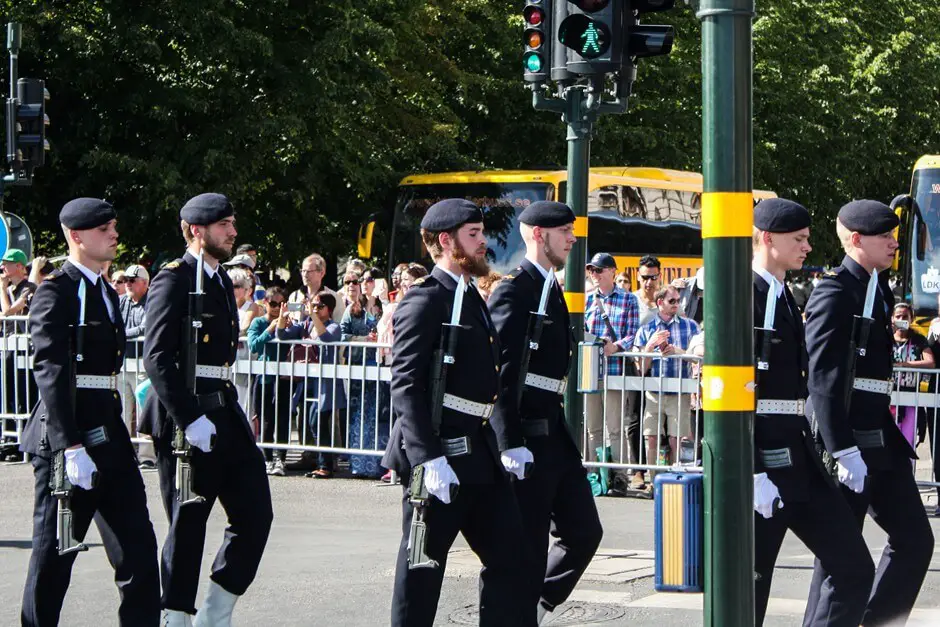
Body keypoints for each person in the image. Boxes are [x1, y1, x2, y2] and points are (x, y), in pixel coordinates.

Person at [381, 198, 530, 627]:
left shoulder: (470, 295)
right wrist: (427, 457)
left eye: (482, 233)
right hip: (441, 456)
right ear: (446, 241)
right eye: (474, 235)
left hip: (479, 457)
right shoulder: (425, 300)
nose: (484, 242)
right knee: (421, 571)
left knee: (512, 560)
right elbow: (405, 384)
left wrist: (507, 443)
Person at [19, 198, 160, 626]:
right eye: (104, 229)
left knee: (137, 549)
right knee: (54, 556)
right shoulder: (56, 290)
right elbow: (51, 369)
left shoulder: (102, 290)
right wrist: (69, 445)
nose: (114, 234)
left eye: (114, 226)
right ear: (77, 236)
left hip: (109, 435)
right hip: (71, 438)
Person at [139, 193, 273, 627]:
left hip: (223, 410)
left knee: (256, 514)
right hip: (188, 417)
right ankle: (175, 616)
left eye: (232, 223)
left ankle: (216, 611)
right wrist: (186, 416)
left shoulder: (218, 280)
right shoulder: (174, 279)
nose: (233, 232)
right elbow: (157, 357)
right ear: (197, 230)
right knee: (189, 523)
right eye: (224, 225)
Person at [803, 199, 934, 626]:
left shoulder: (877, 289)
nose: (894, 244)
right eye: (885, 237)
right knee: (839, 560)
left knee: (915, 539)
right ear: (857, 240)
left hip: (878, 436)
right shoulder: (835, 291)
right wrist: (841, 449)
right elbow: (822, 379)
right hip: (847, 439)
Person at [750, 198, 874, 626]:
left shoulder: (782, 294)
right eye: (798, 239)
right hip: (764, 462)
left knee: (855, 567)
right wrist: (750, 471)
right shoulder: (744, 296)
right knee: (749, 590)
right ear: (768, 238)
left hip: (798, 458)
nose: (807, 247)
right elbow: (725, 394)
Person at [489, 201, 603, 625]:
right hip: (527, 436)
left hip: (553, 432)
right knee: (527, 547)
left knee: (584, 532)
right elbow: (498, 373)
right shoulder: (514, 289)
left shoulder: (549, 286)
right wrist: (508, 441)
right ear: (538, 234)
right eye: (564, 231)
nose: (573, 238)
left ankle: (536, 604)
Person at [583, 252, 640, 490]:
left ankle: (617, 475)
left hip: (614, 369)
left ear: (612, 272)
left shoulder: (628, 299)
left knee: (614, 427)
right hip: (589, 370)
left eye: (598, 270)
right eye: (591, 270)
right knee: (592, 426)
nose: (593, 275)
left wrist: (615, 346)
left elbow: (633, 332)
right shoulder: (586, 299)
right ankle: (595, 475)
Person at [634, 285, 699, 468]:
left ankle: (675, 479)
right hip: (654, 392)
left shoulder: (690, 326)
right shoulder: (647, 328)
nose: (676, 304)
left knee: (676, 439)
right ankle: (655, 483)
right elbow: (641, 368)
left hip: (679, 392)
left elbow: (700, 357)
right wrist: (649, 347)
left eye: (678, 301)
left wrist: (680, 352)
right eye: (672, 301)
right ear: (660, 303)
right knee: (651, 437)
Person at [341, 270, 385, 477]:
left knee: (377, 414)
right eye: (363, 280)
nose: (365, 284)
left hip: (380, 368)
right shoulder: (353, 309)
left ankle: (378, 464)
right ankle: (358, 464)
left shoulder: (384, 307)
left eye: (369, 280)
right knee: (358, 414)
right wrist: (363, 340)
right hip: (358, 367)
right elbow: (342, 335)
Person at [247, 286, 295, 477]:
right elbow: (253, 345)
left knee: (283, 419)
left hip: (284, 376)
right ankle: (267, 459)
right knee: (266, 419)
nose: (276, 308)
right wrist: (271, 328)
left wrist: (286, 327)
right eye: (273, 304)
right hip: (264, 377)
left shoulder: (289, 323)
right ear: (265, 303)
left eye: (280, 304)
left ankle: (281, 460)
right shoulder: (258, 322)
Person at [119, 263, 157, 469]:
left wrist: (122, 335)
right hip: (124, 363)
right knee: (123, 411)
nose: (127, 284)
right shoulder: (121, 301)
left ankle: (147, 456)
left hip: (142, 364)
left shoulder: (151, 301)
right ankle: (124, 452)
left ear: (144, 283)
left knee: (144, 411)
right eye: (125, 280)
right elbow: (114, 323)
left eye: (132, 281)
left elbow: (145, 328)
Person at [890, 302, 934, 449]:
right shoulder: (885, 338)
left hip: (910, 399)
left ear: (912, 319)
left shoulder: (918, 339)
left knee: (907, 442)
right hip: (888, 398)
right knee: (888, 443)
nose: (902, 319)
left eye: (905, 316)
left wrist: (906, 365)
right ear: (892, 319)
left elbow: (930, 362)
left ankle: (906, 471)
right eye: (898, 316)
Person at [288, 253, 345, 324]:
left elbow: (340, 325)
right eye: (303, 271)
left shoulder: (334, 297)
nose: (305, 275)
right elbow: (290, 322)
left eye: (309, 271)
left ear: (322, 273)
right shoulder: (294, 296)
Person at [633, 255, 661, 326]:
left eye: (653, 277)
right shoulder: (631, 301)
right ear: (638, 276)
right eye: (645, 277)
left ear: (660, 276)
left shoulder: (669, 299)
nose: (649, 282)